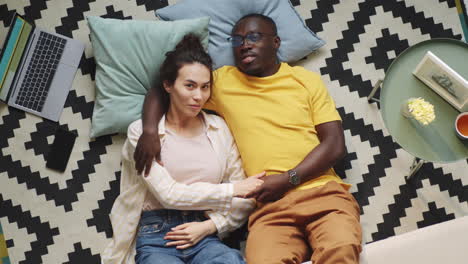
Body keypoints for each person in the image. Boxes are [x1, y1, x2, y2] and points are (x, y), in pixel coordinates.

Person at [135, 14, 362, 264]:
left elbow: (334, 145)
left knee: (340, 249)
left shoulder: (305, 80)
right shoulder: (220, 82)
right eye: (237, 40)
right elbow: (161, 89)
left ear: (275, 42)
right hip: (269, 207)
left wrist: (288, 179)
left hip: (322, 193)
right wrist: (149, 131)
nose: (244, 44)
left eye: (254, 37)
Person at [101, 34, 265, 264]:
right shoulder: (142, 133)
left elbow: (246, 199)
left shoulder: (219, 129)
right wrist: (233, 189)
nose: (198, 97)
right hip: (156, 235)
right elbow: (169, 195)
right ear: (168, 85)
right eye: (189, 86)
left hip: (204, 234)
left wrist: (210, 226)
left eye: (205, 87)